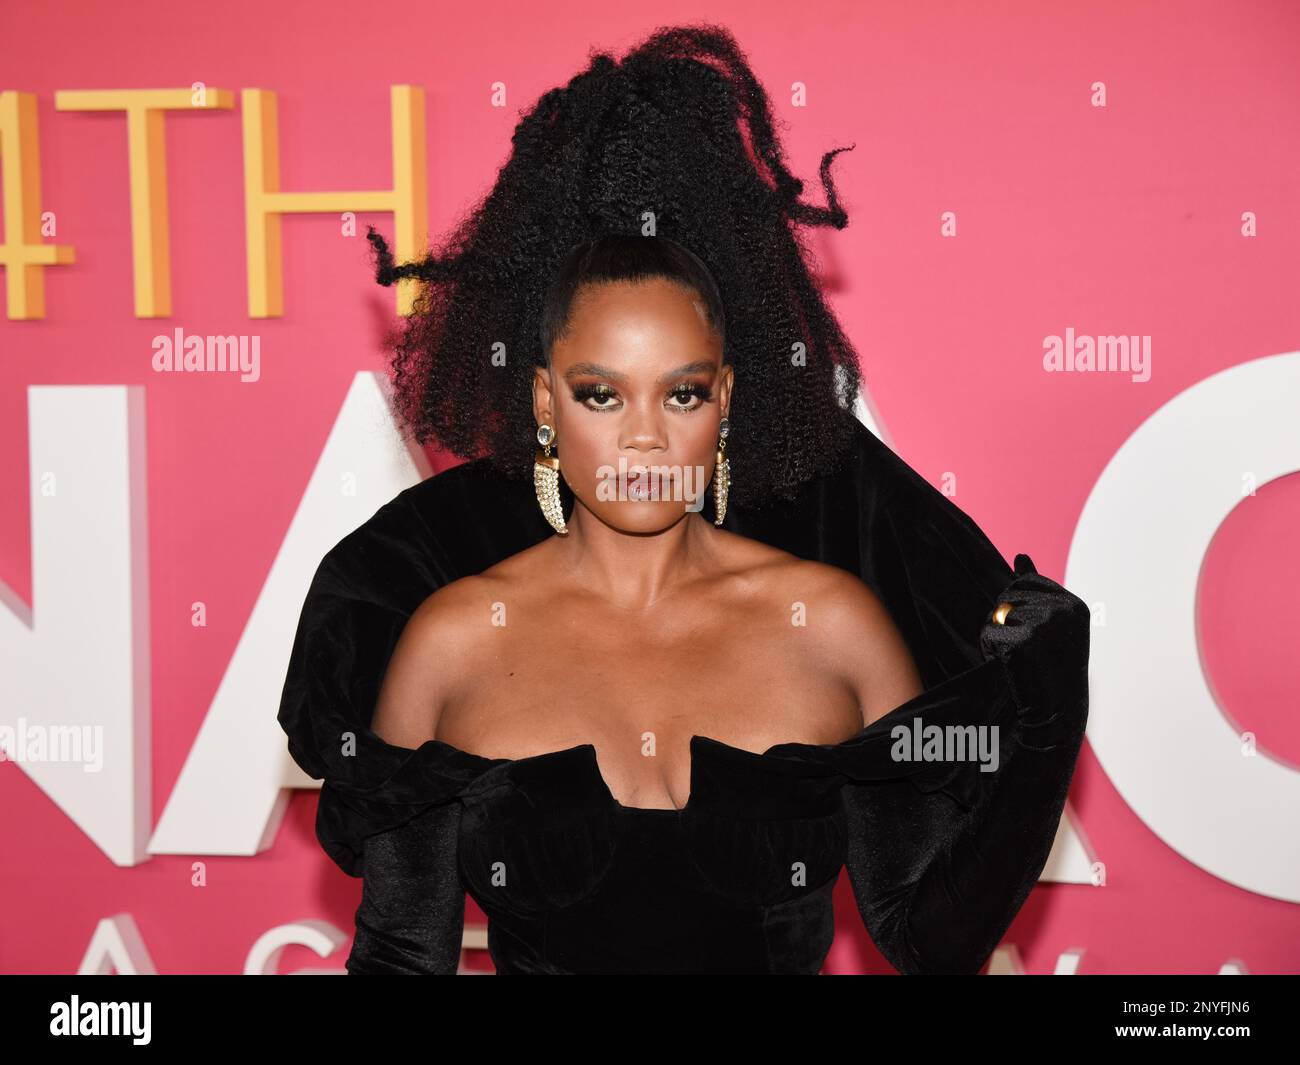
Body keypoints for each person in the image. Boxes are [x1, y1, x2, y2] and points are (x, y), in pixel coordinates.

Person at [276, 24, 1090, 975]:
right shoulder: (451, 643)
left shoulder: (834, 625)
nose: (646, 436)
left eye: (683, 391)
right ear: (544, 399)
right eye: (601, 393)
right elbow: (402, 962)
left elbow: (929, 940)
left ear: (728, 401)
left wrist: (1043, 730)